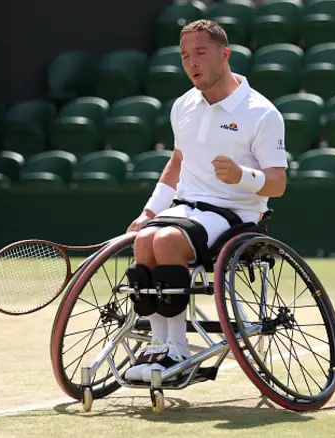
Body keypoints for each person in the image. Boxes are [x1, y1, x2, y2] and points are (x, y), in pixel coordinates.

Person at [123, 19, 288, 382]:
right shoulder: (183, 106)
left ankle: (178, 348)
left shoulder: (261, 112)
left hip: (236, 213)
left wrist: (242, 176)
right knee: (144, 240)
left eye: (200, 53)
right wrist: (148, 212)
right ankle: (158, 345)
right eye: (184, 56)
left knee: (165, 241)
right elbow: (177, 164)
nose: (191, 63)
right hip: (186, 207)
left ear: (224, 54)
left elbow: (277, 184)